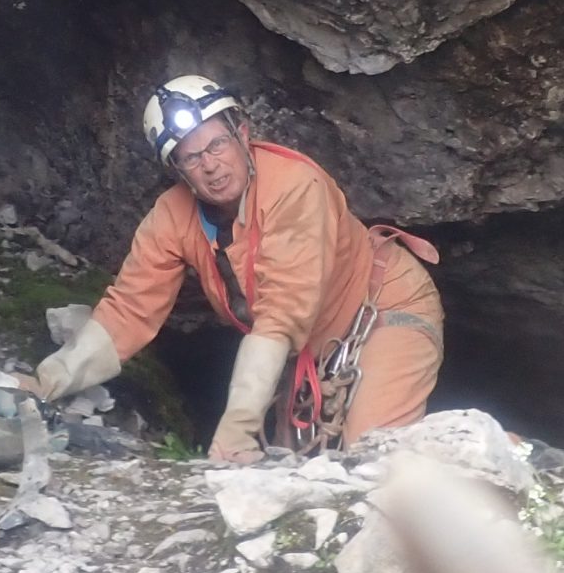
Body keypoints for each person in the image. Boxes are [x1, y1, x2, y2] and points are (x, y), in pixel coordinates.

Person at [32, 76, 445, 460]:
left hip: (383, 308)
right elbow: (129, 310)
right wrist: (48, 381)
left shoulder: (294, 187)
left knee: (374, 456)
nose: (210, 165)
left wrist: (240, 424)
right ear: (177, 171)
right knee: (297, 471)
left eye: (217, 145)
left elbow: (282, 312)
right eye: (191, 157)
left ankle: (492, 453)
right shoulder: (172, 218)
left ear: (242, 136)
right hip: (309, 349)